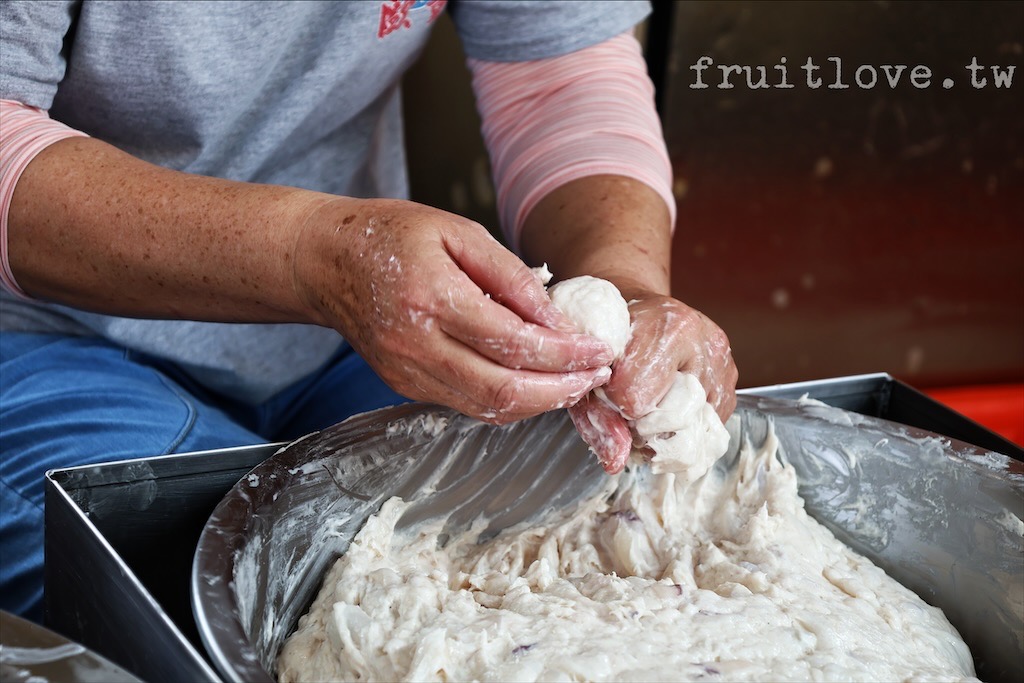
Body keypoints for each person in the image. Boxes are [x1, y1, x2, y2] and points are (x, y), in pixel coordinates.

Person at [0, 0, 737, 621]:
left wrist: (624, 281)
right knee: (216, 602)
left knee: (537, 560)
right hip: (44, 332)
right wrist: (312, 256)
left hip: (339, 328)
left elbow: (557, 69)